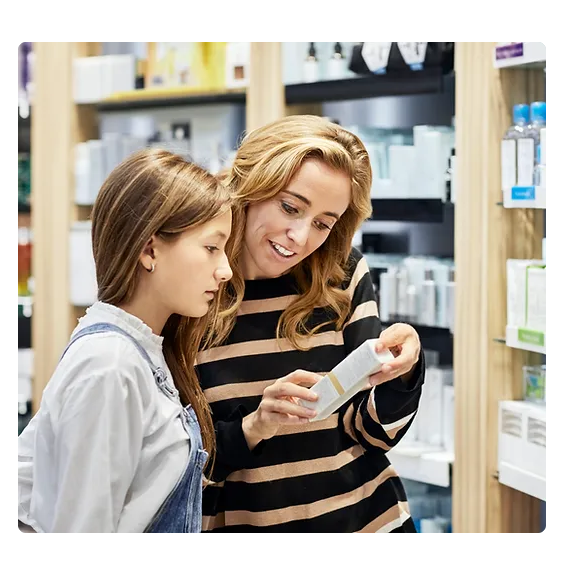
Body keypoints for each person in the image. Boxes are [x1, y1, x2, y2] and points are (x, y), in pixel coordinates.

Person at [196, 115, 425, 533]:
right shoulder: (191, 285)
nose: (300, 237)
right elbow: (172, 461)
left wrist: (402, 371)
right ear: (247, 186)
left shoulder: (342, 276)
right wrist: (253, 427)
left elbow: (375, 434)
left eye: (323, 223)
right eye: (290, 207)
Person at [18, 148, 234, 533]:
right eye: (211, 248)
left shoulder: (141, 351)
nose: (225, 270)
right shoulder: (111, 365)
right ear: (149, 249)